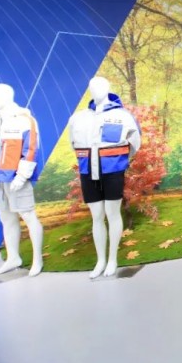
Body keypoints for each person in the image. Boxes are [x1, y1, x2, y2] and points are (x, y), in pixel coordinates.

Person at [68, 77, 140, 279]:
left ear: (108, 88)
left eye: (100, 86)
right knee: (97, 216)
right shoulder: (78, 118)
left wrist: (118, 160)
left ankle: (112, 259)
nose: (95, 90)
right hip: (87, 172)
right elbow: (73, 143)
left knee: (112, 213)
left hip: (113, 171)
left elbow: (135, 143)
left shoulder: (122, 116)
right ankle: (100, 260)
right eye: (92, 86)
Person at [0, 83, 43, 277]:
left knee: (28, 216)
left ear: (7, 96)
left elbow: (30, 150)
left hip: (16, 177)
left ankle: (38, 259)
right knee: (6, 217)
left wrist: (22, 176)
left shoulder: (25, 120)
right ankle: (13, 257)